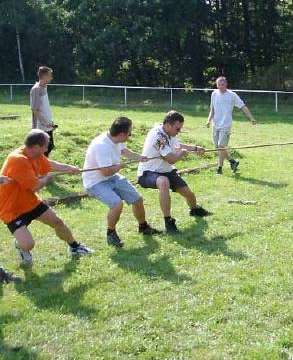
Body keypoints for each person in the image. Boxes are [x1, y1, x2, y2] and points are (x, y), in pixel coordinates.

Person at [0, 130, 92, 266]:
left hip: (30, 202)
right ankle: (21, 246)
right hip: (11, 208)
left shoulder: (35, 155)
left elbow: (50, 164)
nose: (48, 148)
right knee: (28, 244)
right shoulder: (18, 160)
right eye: (46, 145)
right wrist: (47, 177)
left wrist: (69, 168)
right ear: (36, 147)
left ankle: (75, 247)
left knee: (57, 222)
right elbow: (35, 186)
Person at [82, 117, 162, 247]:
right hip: (95, 182)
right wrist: (119, 166)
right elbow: (106, 172)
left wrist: (139, 157)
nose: (130, 135)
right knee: (116, 204)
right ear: (122, 134)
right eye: (129, 133)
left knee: (137, 199)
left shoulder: (116, 139)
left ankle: (144, 227)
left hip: (111, 176)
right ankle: (111, 233)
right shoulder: (101, 146)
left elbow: (123, 151)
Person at [138, 111, 211, 234]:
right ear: (168, 125)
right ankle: (168, 221)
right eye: (178, 129)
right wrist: (181, 154)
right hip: (148, 172)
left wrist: (196, 148)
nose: (179, 131)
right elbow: (171, 159)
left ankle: (194, 209)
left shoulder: (169, 134)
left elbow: (177, 145)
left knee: (189, 194)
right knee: (163, 182)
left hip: (167, 171)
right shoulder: (158, 136)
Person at [206, 76, 256, 174]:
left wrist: (251, 118)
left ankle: (219, 168)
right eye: (218, 85)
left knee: (221, 146)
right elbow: (212, 109)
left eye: (222, 84)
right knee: (218, 147)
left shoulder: (232, 95)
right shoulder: (214, 94)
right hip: (215, 124)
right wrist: (208, 120)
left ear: (226, 84)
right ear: (216, 85)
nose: (220, 86)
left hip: (226, 125)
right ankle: (232, 161)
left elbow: (242, 107)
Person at [30, 66, 56, 156]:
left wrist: (49, 121)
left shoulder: (44, 87)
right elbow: (34, 110)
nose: (51, 78)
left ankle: (43, 168)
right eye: (50, 75)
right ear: (44, 76)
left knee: (49, 147)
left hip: (47, 125)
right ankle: (39, 168)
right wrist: (45, 122)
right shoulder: (36, 89)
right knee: (44, 150)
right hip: (41, 127)